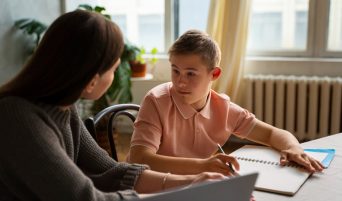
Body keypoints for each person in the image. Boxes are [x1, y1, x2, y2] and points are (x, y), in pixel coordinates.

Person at [0, 11, 226, 201]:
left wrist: (193, 183)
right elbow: (85, 197)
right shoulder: (17, 118)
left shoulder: (62, 108)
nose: (116, 75)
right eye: (114, 69)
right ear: (91, 80)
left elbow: (109, 170)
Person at [127, 29, 324, 176]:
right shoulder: (156, 101)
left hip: (196, 184)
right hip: (151, 188)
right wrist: (203, 165)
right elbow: (140, 159)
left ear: (214, 74)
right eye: (175, 70)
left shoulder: (223, 108)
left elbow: (272, 133)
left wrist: (293, 146)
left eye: (190, 74)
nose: (180, 81)